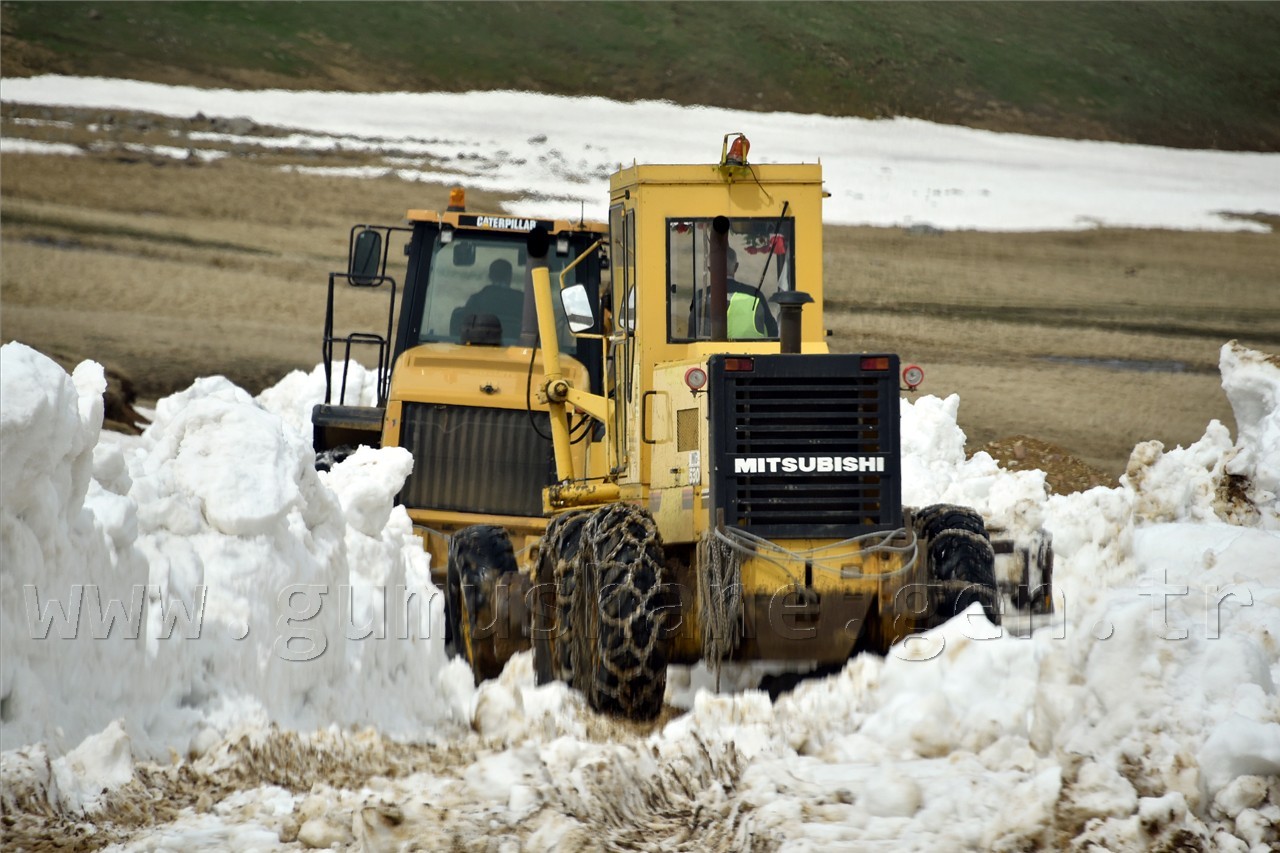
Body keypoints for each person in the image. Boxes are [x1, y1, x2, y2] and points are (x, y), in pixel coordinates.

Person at [689, 248, 778, 339]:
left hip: (706, 348)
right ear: (736, 267)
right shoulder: (755, 295)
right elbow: (773, 332)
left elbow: (691, 336)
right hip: (749, 348)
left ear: (710, 269)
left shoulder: (700, 296)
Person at [462, 258, 524, 342]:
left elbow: (465, 328)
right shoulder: (524, 301)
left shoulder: (475, 299)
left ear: (490, 276)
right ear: (510, 277)